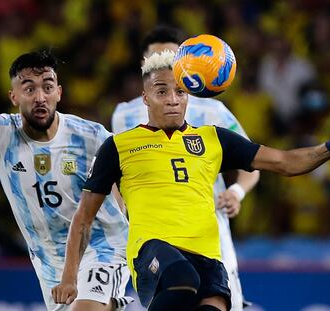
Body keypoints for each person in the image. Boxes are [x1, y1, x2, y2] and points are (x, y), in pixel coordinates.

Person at [53, 50, 330, 311]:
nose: (173, 99)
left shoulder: (213, 139)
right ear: (145, 98)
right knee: (181, 278)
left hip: (209, 257)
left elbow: (284, 162)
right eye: (162, 91)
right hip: (152, 253)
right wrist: (69, 276)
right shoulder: (119, 146)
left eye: (180, 91)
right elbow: (83, 217)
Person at [0, 50, 133, 311]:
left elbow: (127, 177)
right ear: (13, 96)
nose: (40, 97)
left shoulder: (91, 136)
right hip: (50, 263)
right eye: (29, 89)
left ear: (59, 93)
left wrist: (123, 215)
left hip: (102, 247)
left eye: (48, 87)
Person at [111, 25, 259, 311]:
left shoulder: (211, 109)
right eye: (157, 55)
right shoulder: (124, 114)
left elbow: (251, 163)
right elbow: (118, 172)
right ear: (144, 62)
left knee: (228, 302)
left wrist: (237, 191)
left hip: (207, 223)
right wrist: (124, 212)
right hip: (153, 230)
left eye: (172, 55)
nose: (165, 61)